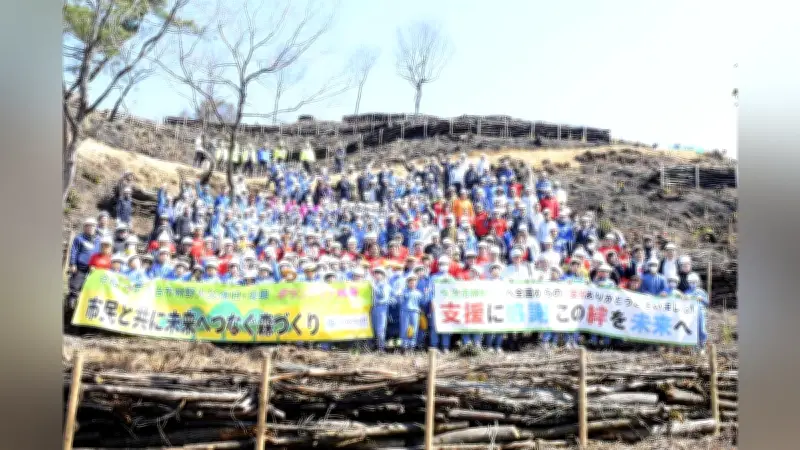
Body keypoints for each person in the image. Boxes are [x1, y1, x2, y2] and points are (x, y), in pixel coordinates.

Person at [67, 217, 101, 307]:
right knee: (75, 287)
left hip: (94, 270)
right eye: (88, 226)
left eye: (93, 226)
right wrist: (73, 264)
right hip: (80, 267)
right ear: (84, 227)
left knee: (90, 290)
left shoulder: (99, 240)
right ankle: (70, 306)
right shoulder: (79, 238)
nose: (91, 228)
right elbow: (74, 251)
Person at [682, 272, 709, 352]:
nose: (692, 284)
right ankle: (694, 347)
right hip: (690, 313)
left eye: (694, 282)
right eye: (691, 282)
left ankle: (702, 345)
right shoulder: (686, 292)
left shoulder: (701, 292)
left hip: (700, 312)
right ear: (688, 282)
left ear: (697, 282)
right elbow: (683, 304)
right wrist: (685, 299)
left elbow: (707, 303)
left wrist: (702, 299)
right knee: (693, 329)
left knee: (702, 329)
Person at [398, 273, 423, 353]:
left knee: (414, 330)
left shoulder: (419, 293)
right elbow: (399, 301)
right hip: (405, 312)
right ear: (408, 283)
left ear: (416, 283)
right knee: (404, 329)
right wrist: (400, 295)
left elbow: (421, 303)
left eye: (414, 282)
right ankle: (404, 346)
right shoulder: (404, 292)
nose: (412, 284)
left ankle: (412, 346)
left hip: (415, 313)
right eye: (410, 282)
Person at [371, 267, 395, 352]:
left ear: (383, 275)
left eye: (379, 273)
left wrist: (374, 288)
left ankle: (381, 348)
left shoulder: (385, 285)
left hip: (381, 309)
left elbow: (382, 296)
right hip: (373, 308)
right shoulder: (374, 284)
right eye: (376, 273)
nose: (377, 275)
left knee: (380, 329)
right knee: (373, 328)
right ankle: (375, 347)